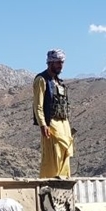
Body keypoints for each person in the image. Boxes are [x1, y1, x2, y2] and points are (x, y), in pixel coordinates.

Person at [33, 49, 74, 178]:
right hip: (51, 124)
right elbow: (38, 105)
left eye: (62, 62)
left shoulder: (60, 82)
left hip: (64, 123)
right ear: (50, 62)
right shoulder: (41, 80)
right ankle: (49, 183)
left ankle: (64, 182)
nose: (60, 65)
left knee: (66, 153)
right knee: (53, 156)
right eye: (58, 62)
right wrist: (43, 124)